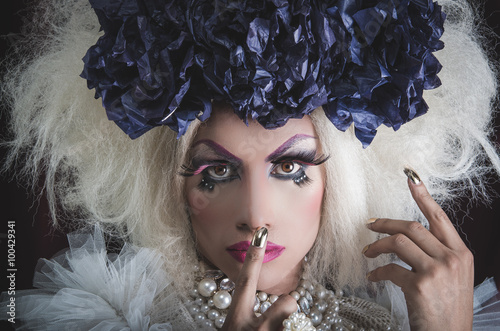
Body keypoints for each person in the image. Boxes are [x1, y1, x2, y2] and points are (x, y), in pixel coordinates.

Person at [1, 0, 499, 330]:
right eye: (216, 173)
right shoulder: (109, 318)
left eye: (290, 170)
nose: (255, 214)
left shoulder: (400, 318)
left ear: (340, 183)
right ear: (167, 187)